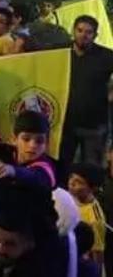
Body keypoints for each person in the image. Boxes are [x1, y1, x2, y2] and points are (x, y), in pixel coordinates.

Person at [63, 15, 113, 168]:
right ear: (73, 31)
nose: (83, 35)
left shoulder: (107, 56)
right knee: (62, 166)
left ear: (95, 35)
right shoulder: (60, 52)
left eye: (88, 32)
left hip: (94, 125)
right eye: (80, 30)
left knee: (92, 169)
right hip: (65, 124)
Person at [69, 162, 106, 269]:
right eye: (71, 178)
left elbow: (97, 254)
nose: (71, 183)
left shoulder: (95, 219)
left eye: (78, 182)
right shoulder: (69, 197)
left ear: (93, 188)